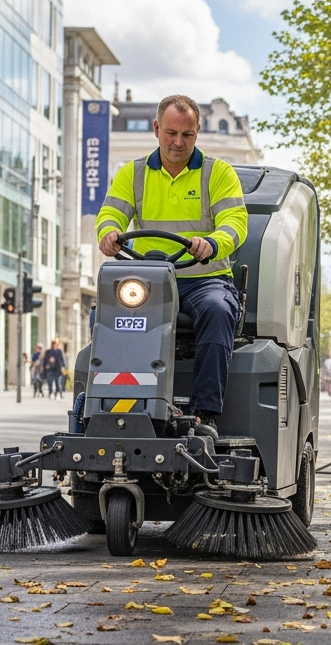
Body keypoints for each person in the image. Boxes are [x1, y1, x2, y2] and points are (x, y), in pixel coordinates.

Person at [95, 94, 248, 432]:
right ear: (156, 129)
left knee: (219, 310)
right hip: (149, 282)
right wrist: (108, 233)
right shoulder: (131, 174)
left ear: (197, 133)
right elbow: (110, 214)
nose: (179, 142)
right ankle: (105, 405)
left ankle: (204, 413)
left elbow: (235, 223)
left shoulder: (218, 173)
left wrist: (212, 242)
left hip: (204, 279)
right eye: (171, 133)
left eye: (187, 135)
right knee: (105, 313)